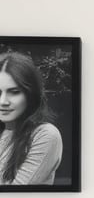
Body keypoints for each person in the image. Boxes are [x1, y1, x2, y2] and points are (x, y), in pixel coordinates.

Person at [0, 50, 63, 186]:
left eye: (14, 92)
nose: (3, 101)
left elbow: (16, 193)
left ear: (30, 94)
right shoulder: (3, 131)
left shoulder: (45, 134)